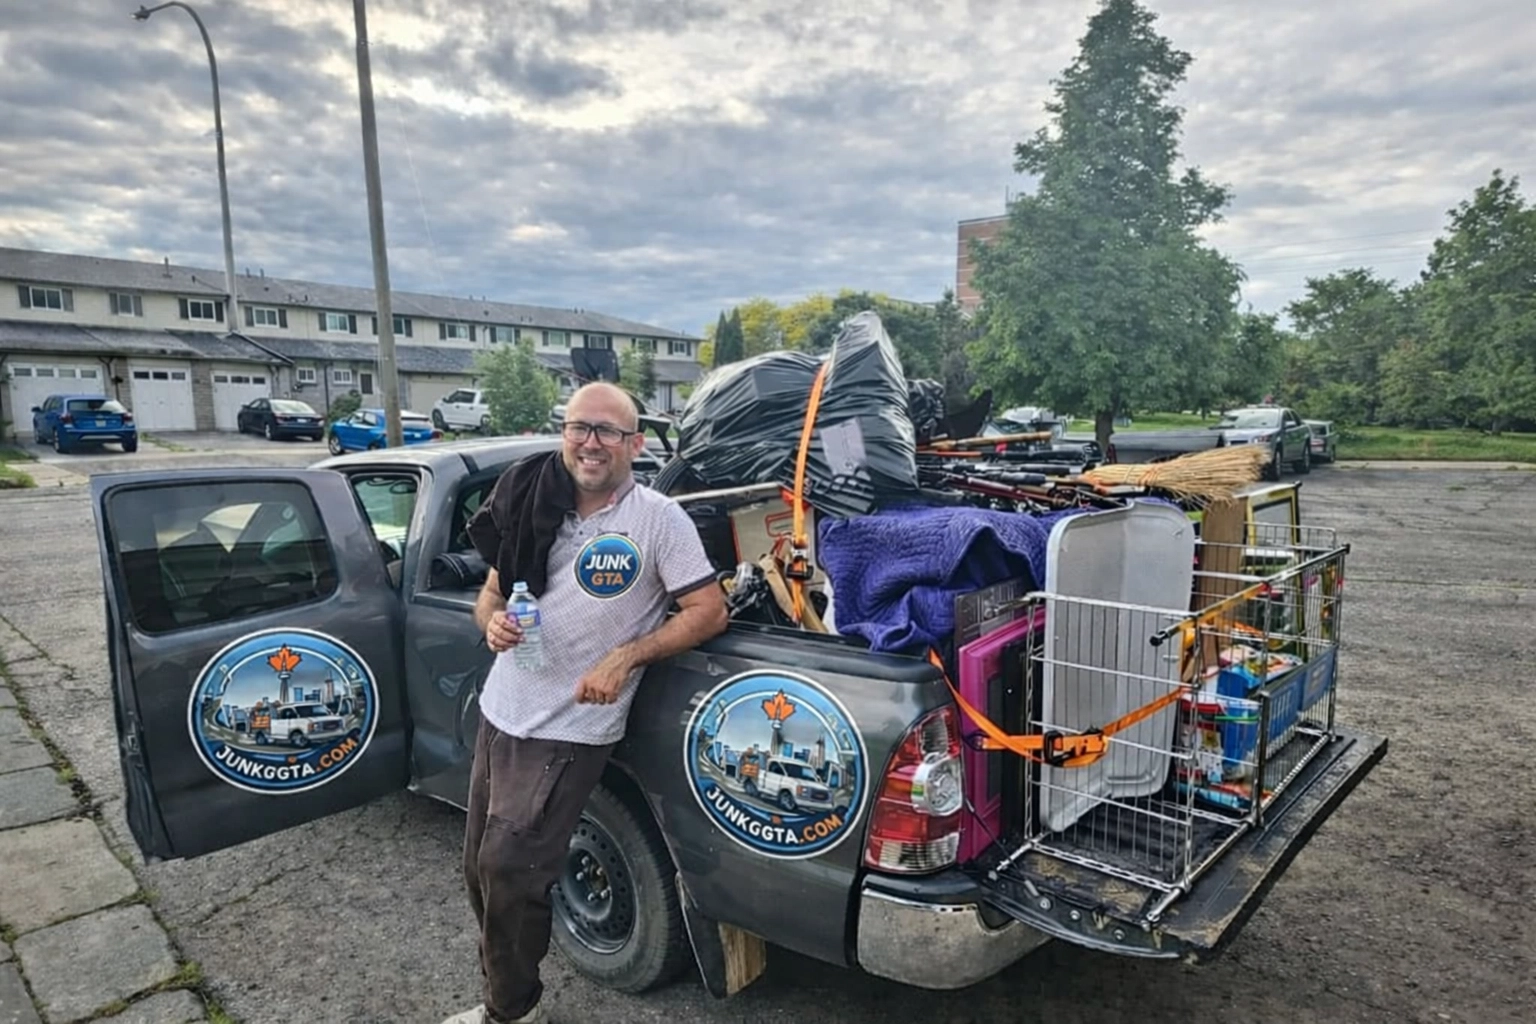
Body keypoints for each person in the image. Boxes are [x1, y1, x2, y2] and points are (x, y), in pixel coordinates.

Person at [443, 382, 729, 1024]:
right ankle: (505, 994)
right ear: (564, 434)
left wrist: (626, 656)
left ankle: (510, 1011)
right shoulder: (533, 503)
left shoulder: (658, 520)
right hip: (502, 710)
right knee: (479, 870)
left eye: (607, 431)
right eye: (579, 428)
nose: (590, 443)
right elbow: (489, 596)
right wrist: (491, 624)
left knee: (510, 871)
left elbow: (709, 610)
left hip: (571, 726)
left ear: (635, 445)